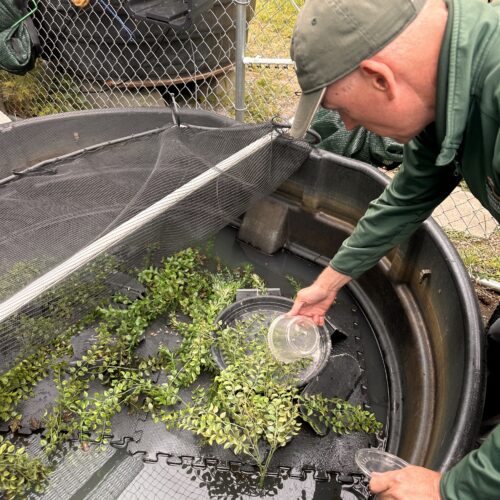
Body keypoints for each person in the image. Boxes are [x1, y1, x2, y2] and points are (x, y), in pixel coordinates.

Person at [287, 0, 500, 498]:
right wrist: (329, 281)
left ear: (380, 77)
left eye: (342, 110)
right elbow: (410, 193)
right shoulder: (448, 92)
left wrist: (454, 488)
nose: (351, 128)